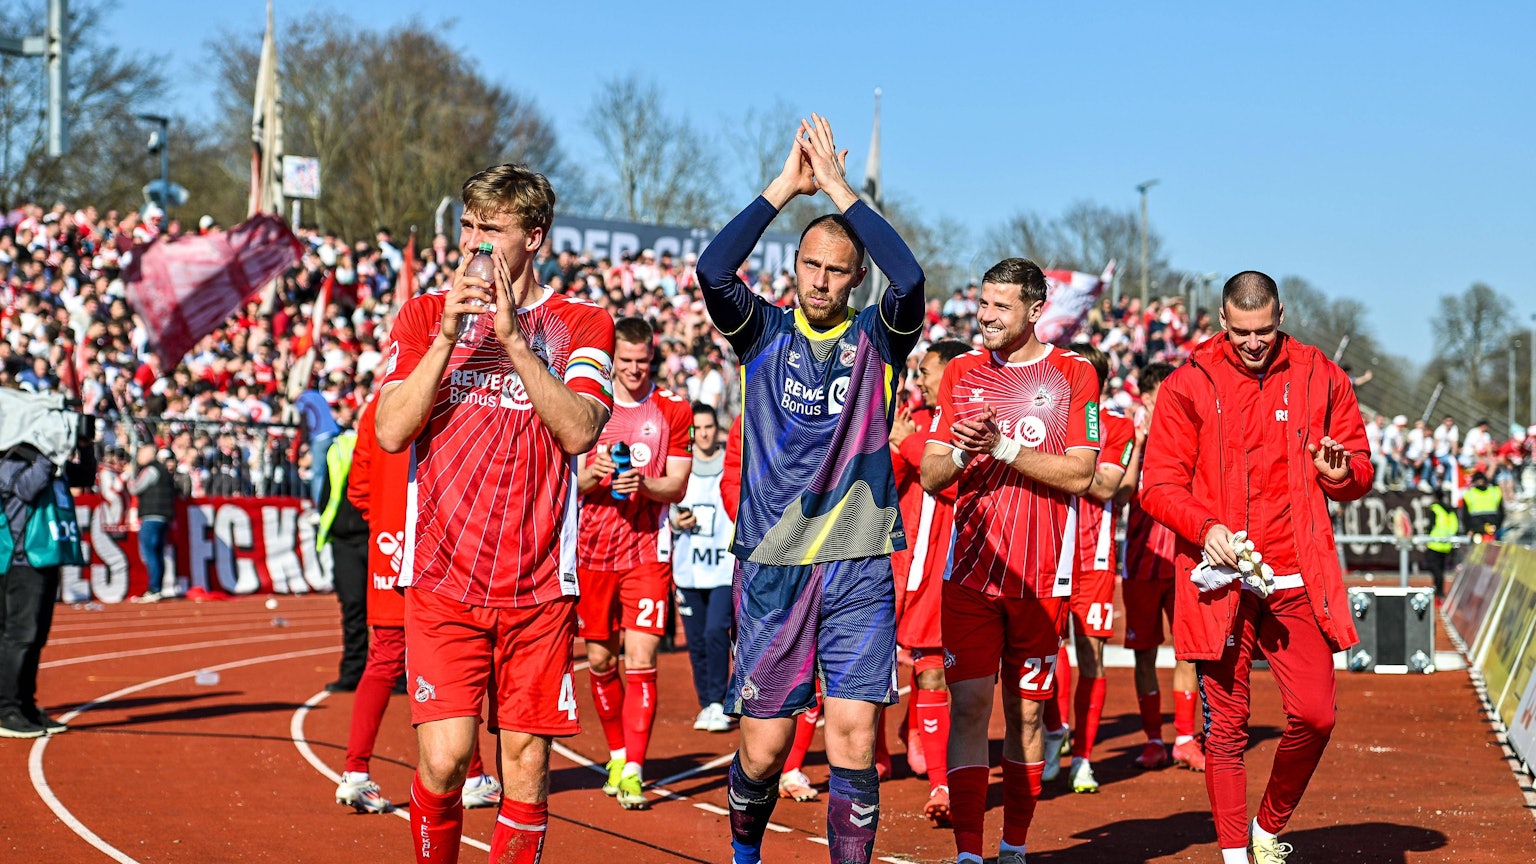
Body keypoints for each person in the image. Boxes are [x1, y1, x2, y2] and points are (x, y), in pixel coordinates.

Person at [696, 114, 925, 864]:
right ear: (793, 267)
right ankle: (745, 855)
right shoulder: (761, 332)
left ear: (856, 276)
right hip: (772, 566)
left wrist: (836, 188)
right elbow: (712, 271)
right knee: (763, 752)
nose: (822, 282)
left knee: (855, 739)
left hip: (858, 564)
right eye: (810, 266)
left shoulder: (879, 337)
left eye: (836, 270)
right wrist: (783, 189)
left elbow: (913, 279)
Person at [374, 163, 615, 864]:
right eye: (468, 227)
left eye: (493, 230)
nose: (474, 246)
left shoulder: (580, 323)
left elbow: (580, 430)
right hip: (444, 580)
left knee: (527, 774)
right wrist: (450, 337)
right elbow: (390, 431)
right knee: (445, 762)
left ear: (534, 236)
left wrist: (512, 338)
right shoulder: (424, 315)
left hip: (539, 590)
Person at [1139, 271, 1372, 864]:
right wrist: (1206, 527)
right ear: (1221, 321)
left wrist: (1340, 473)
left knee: (1316, 715)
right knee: (1225, 730)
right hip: (1220, 583)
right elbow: (1158, 485)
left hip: (1297, 579)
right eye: (1241, 331)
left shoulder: (1320, 374)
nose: (1253, 342)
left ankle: (1268, 827)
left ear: (1281, 315)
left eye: (1264, 330)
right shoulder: (1187, 384)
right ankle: (1235, 855)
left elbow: (1359, 469)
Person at [919, 258, 1100, 864]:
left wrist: (1002, 445)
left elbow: (1080, 471)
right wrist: (966, 452)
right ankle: (970, 852)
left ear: (1034, 310)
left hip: (1041, 581)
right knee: (969, 706)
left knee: (1026, 720)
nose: (986, 316)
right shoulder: (962, 373)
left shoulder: (1075, 374)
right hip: (968, 575)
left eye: (1000, 306)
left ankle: (1013, 848)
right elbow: (930, 473)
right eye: (982, 303)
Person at [335, 396, 501, 814]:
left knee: (386, 656)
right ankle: (473, 776)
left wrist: (390, 523)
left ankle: (355, 770)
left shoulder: (379, 404)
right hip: (441, 548)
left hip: (390, 544)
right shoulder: (459, 393)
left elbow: (358, 489)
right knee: (456, 660)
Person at [575, 316, 693, 810]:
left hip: (647, 551)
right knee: (601, 660)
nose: (633, 371)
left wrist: (644, 485)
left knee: (641, 659)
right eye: (624, 361)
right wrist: (595, 475)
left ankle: (635, 771)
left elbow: (679, 484)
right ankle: (619, 754)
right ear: (611, 359)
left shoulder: (673, 409)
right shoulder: (586, 407)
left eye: (642, 362)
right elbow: (569, 485)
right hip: (591, 552)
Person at [1043, 342, 1135, 794]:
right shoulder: (1049, 420)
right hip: (1048, 551)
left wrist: (1055, 466)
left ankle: (1082, 759)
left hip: (1094, 560)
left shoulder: (1119, 425)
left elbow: (1104, 486)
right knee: (1044, 651)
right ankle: (1052, 733)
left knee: (1091, 658)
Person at [889, 338, 970, 825]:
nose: (919, 380)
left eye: (927, 371)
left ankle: (941, 784)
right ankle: (880, 750)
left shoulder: (973, 428)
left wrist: (909, 444)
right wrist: (892, 441)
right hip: (894, 568)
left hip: (943, 574)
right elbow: (883, 478)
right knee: (869, 671)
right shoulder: (914, 421)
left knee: (934, 672)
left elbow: (958, 483)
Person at [1119, 362, 1205, 772]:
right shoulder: (1127, 435)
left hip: (1182, 560)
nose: (1156, 403)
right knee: (1143, 655)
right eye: (1152, 396)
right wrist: (1137, 444)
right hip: (1139, 561)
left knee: (1187, 652)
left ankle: (1185, 739)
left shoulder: (1189, 433)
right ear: (1144, 398)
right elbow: (1118, 494)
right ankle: (1154, 738)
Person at [0, 406, 94, 738]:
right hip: (20, 558)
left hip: (45, 556)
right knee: (19, 635)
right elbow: (26, 489)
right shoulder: (10, 457)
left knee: (35, 636)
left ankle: (25, 704)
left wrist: (84, 445)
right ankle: (6, 709)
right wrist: (48, 454)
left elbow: (85, 478)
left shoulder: (50, 459)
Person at [673, 403, 735, 734]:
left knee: (715, 632)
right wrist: (675, 519)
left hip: (723, 568)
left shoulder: (730, 463)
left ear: (717, 428)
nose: (705, 433)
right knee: (696, 640)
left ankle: (718, 701)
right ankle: (706, 704)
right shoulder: (680, 466)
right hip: (688, 568)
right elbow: (666, 504)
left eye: (710, 426)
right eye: (698, 428)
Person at [317, 423, 368, 693]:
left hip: (374, 537)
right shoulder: (338, 450)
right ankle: (352, 672)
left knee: (388, 615)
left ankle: (397, 675)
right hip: (347, 541)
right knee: (353, 610)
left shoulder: (339, 448)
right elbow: (328, 492)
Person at [128, 444, 177, 600]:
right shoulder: (163, 471)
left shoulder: (151, 470)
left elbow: (135, 488)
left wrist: (130, 475)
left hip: (151, 516)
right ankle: (157, 588)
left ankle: (154, 588)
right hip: (164, 516)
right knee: (158, 553)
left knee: (150, 553)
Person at [1425, 487, 1459, 600]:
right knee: (1441, 569)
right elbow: (1455, 527)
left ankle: (1438, 591)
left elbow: (1430, 526)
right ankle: (1439, 590)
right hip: (1446, 545)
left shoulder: (1435, 509)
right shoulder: (1450, 511)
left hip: (1435, 544)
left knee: (1436, 569)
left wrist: (1426, 538)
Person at [1460, 470, 1504, 540]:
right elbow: (1501, 513)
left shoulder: (1469, 494)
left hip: (1478, 529)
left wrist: (1467, 530)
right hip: (1490, 528)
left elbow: (1465, 516)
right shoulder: (1495, 491)